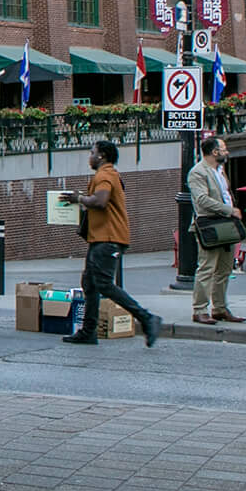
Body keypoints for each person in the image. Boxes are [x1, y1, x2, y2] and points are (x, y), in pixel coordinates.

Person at [59, 139, 162, 348]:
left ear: (101, 156)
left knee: (104, 284)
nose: (90, 156)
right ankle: (88, 332)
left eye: (92, 152)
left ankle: (147, 318)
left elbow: (100, 201)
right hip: (100, 238)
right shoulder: (107, 174)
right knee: (89, 284)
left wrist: (79, 199)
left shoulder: (105, 175)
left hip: (108, 238)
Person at [188, 134, 245, 324]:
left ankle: (220, 308)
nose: (226, 152)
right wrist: (230, 210)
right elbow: (202, 200)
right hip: (209, 224)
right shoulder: (198, 172)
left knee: (225, 268)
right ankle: (199, 309)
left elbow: (225, 194)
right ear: (214, 152)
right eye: (223, 149)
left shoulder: (220, 170)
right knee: (207, 268)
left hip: (226, 224)